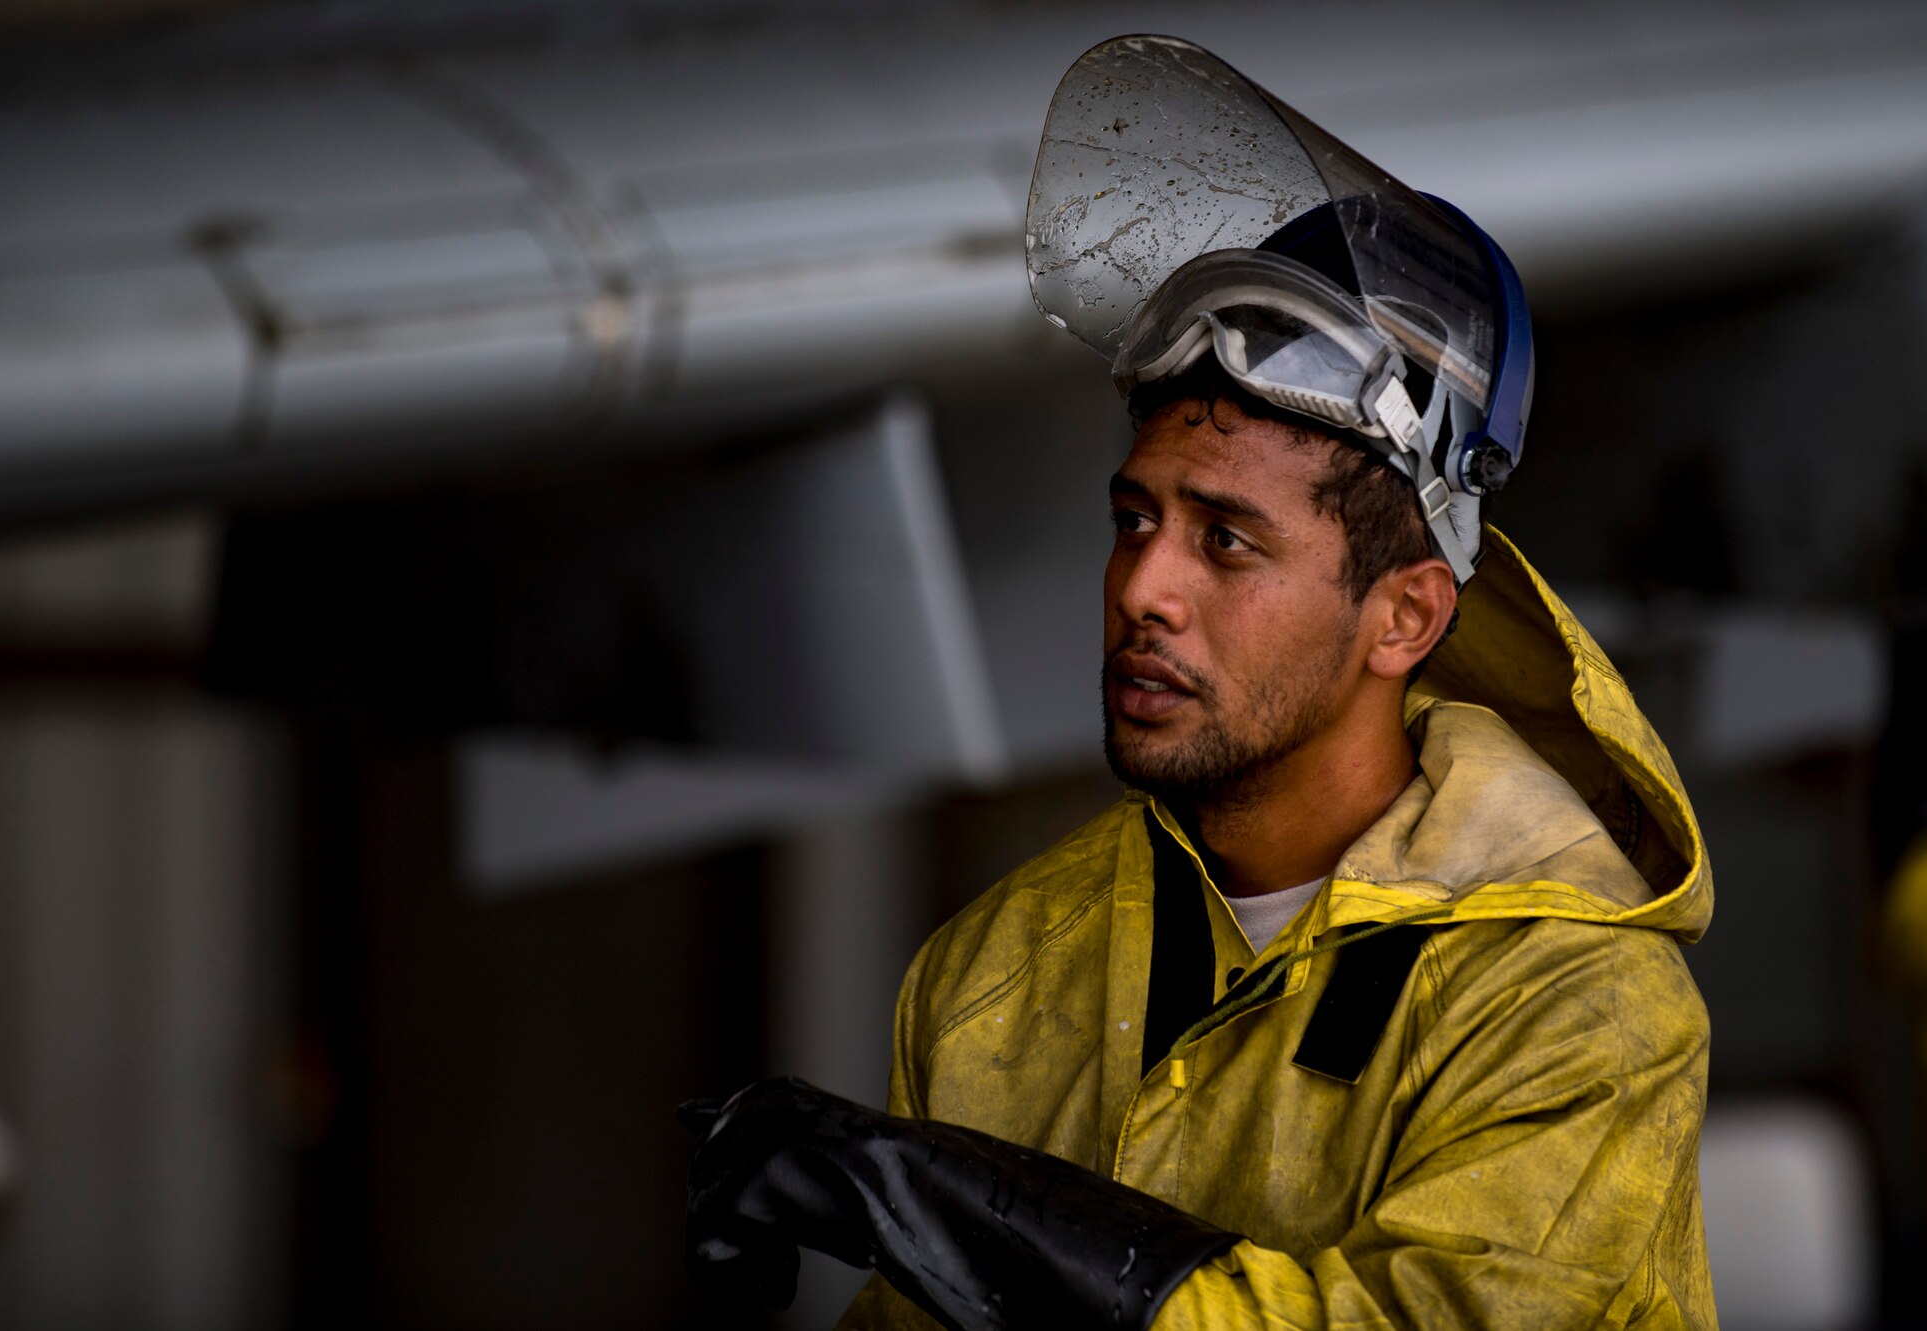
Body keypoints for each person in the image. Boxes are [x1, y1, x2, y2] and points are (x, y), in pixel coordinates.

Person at [681, 35, 1716, 1330]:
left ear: (1404, 616)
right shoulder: (995, 972)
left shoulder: (1578, 1004)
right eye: (1133, 521)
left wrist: (971, 1218)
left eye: (1226, 539)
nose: (1143, 590)